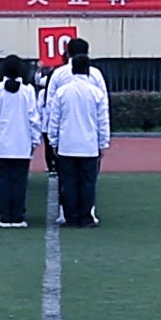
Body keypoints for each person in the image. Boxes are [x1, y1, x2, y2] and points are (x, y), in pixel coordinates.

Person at [46, 55, 110, 228]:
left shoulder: (62, 92)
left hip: (67, 145)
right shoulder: (96, 93)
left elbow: (54, 119)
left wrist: (53, 141)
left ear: (72, 68)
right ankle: (86, 217)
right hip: (89, 145)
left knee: (69, 183)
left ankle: (71, 216)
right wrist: (103, 143)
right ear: (88, 70)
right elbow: (103, 120)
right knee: (88, 183)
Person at [0, 56, 42, 228]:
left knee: (4, 181)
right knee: (20, 181)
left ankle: (5, 216)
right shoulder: (28, 91)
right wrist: (35, 140)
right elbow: (33, 118)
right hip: (22, 143)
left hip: (2, 143)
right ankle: (18, 216)